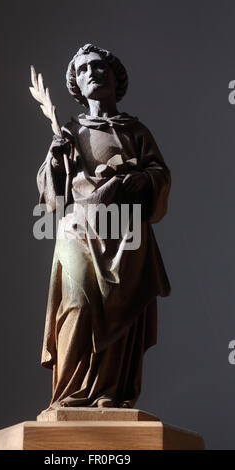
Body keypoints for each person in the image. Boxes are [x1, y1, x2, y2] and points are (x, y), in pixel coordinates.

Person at [37, 44, 171, 409]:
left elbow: (159, 174)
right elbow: (52, 196)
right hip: (79, 228)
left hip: (127, 232)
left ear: (115, 77)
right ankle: (70, 392)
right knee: (77, 304)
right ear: (76, 86)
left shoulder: (135, 130)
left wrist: (141, 180)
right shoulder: (69, 131)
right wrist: (55, 158)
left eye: (98, 67)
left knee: (120, 309)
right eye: (81, 70)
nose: (90, 73)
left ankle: (109, 392)